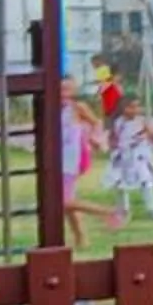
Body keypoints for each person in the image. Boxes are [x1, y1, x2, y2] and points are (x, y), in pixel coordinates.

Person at [57, 76, 102, 247]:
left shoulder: (77, 108)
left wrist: (93, 138)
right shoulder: (51, 109)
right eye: (61, 90)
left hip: (71, 160)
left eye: (67, 90)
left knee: (64, 202)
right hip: (57, 161)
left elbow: (96, 122)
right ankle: (80, 238)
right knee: (67, 203)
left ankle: (106, 212)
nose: (63, 94)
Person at [106, 96, 153, 224]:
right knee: (120, 183)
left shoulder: (142, 121)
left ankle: (151, 208)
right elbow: (113, 138)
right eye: (131, 107)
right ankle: (123, 209)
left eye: (137, 106)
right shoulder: (117, 122)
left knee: (146, 181)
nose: (135, 110)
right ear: (123, 108)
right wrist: (114, 149)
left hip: (140, 157)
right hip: (124, 157)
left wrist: (149, 135)